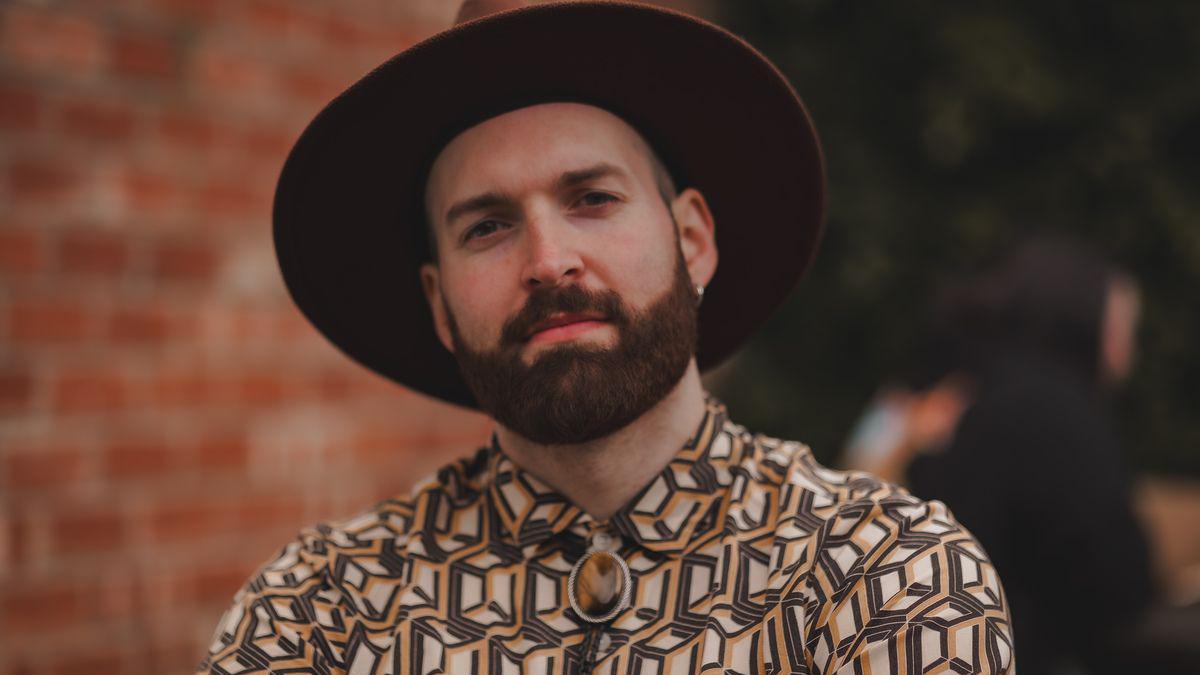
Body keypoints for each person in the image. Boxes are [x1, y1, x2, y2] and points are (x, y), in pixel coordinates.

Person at [197, 2, 1014, 673]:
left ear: (692, 240)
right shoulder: (320, 612)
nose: (548, 261)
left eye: (591, 198)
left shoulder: (881, 577)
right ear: (439, 304)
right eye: (487, 226)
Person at [847, 235, 1154, 674]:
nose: (1130, 350)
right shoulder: (1055, 411)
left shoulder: (928, 386)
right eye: (1124, 327)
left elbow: (853, 476)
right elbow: (1117, 581)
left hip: (868, 639)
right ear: (1085, 320)